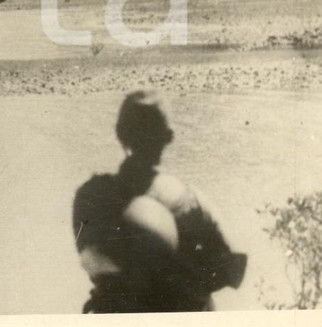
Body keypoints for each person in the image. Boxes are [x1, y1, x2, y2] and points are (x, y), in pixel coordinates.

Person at [73, 90, 245, 313]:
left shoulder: (90, 196)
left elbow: (89, 258)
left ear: (119, 133)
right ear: (169, 136)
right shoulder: (189, 200)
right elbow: (232, 270)